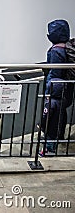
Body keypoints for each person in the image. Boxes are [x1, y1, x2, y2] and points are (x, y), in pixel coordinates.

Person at [39, 19, 73, 156]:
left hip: (57, 91)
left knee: (51, 121)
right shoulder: (68, 47)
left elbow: (55, 73)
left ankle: (49, 148)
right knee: (60, 116)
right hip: (67, 90)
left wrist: (49, 91)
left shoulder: (56, 50)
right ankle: (59, 139)